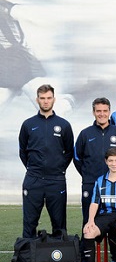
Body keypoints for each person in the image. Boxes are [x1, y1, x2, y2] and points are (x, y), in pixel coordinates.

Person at [19, 84, 74, 238]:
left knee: (59, 226)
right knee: (29, 224)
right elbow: (23, 151)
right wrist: (33, 168)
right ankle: (28, 253)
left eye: (49, 98)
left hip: (56, 180)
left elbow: (69, 151)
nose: (45, 101)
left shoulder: (63, 125)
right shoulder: (28, 124)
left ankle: (59, 253)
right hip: (33, 179)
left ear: (54, 100)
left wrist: (58, 168)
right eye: (42, 98)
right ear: (37, 100)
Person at [74, 97, 116, 227]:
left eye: (105, 111)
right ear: (93, 112)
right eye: (98, 111)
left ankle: (114, 242)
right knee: (88, 221)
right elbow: (77, 158)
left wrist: (114, 177)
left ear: (109, 112)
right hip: (90, 183)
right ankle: (87, 241)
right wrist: (87, 174)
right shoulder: (85, 133)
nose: (102, 114)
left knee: (114, 221)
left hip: (113, 185)